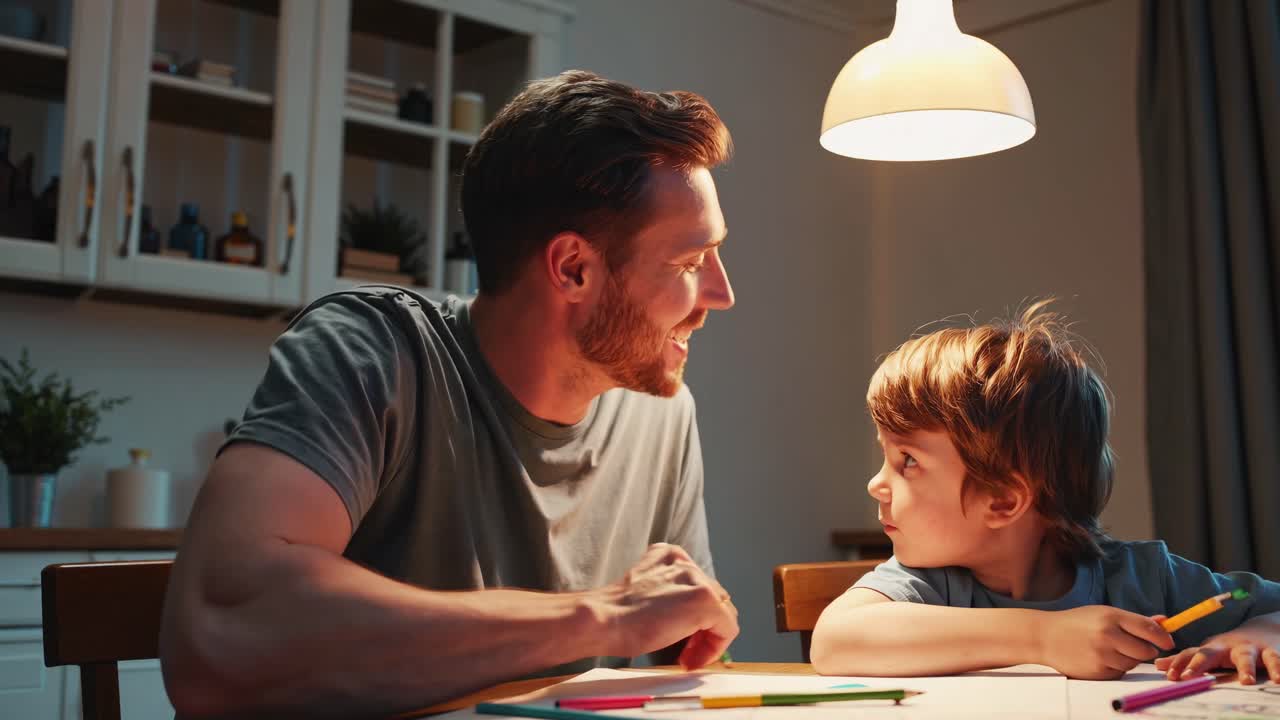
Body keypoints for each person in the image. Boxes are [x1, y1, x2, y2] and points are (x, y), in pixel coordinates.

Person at [159, 70, 739, 718]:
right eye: (690, 264)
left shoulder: (660, 413)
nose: (722, 294)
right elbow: (220, 634)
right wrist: (599, 618)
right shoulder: (372, 354)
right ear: (573, 268)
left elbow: (681, 659)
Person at [810, 301, 1280, 683]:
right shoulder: (929, 583)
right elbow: (835, 639)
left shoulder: (1145, 579)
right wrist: (1044, 637)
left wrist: (1255, 636)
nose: (877, 483)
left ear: (1003, 501)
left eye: (907, 461)